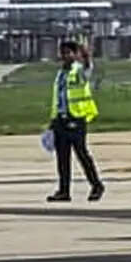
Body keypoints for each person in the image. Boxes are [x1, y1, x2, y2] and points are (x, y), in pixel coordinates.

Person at [47, 39, 104, 202]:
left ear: (75, 54)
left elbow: (88, 69)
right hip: (61, 120)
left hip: (76, 118)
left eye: (68, 53)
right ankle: (64, 190)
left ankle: (96, 185)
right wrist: (53, 119)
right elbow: (59, 97)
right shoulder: (60, 74)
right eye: (62, 53)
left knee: (82, 154)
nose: (64, 56)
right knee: (62, 158)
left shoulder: (78, 71)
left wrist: (86, 56)